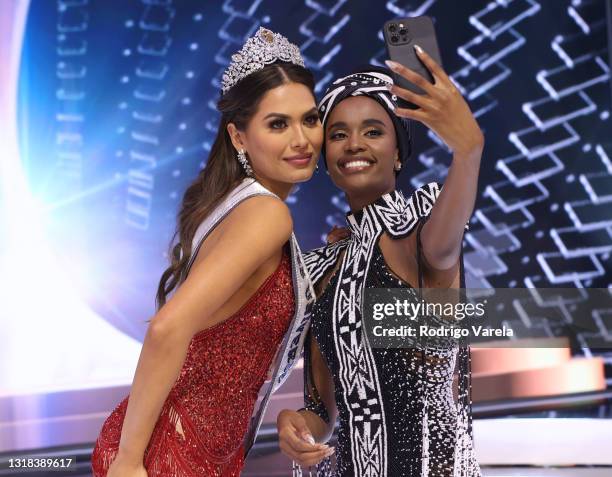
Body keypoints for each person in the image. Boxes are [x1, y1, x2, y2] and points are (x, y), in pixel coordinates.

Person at [91, 28, 323, 477]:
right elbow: (166, 328)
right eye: (278, 124)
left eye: (309, 119)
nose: (302, 139)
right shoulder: (267, 214)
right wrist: (129, 460)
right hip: (171, 455)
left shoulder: (237, 205)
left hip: (188, 446)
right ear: (239, 137)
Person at [277, 49, 484, 477]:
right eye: (338, 134)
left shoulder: (419, 234)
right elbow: (322, 411)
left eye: (373, 131)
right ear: (328, 162)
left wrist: (468, 149)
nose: (354, 144)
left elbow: (445, 246)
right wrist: (297, 424)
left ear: (397, 152)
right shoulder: (321, 269)